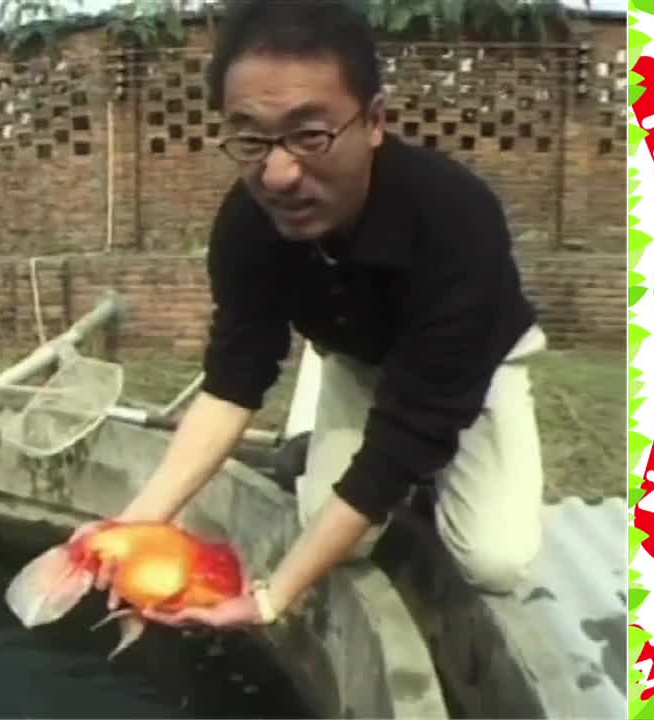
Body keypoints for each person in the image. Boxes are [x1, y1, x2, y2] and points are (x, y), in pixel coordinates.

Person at [79, 0, 548, 629]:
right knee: (342, 540)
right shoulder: (248, 224)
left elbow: (406, 436)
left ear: (374, 120)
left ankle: (431, 472)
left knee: (498, 561)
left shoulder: (454, 219)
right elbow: (233, 382)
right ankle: (325, 437)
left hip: (476, 367)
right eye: (251, 137)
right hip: (358, 362)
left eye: (310, 134)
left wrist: (271, 598)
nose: (278, 174)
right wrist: (134, 524)